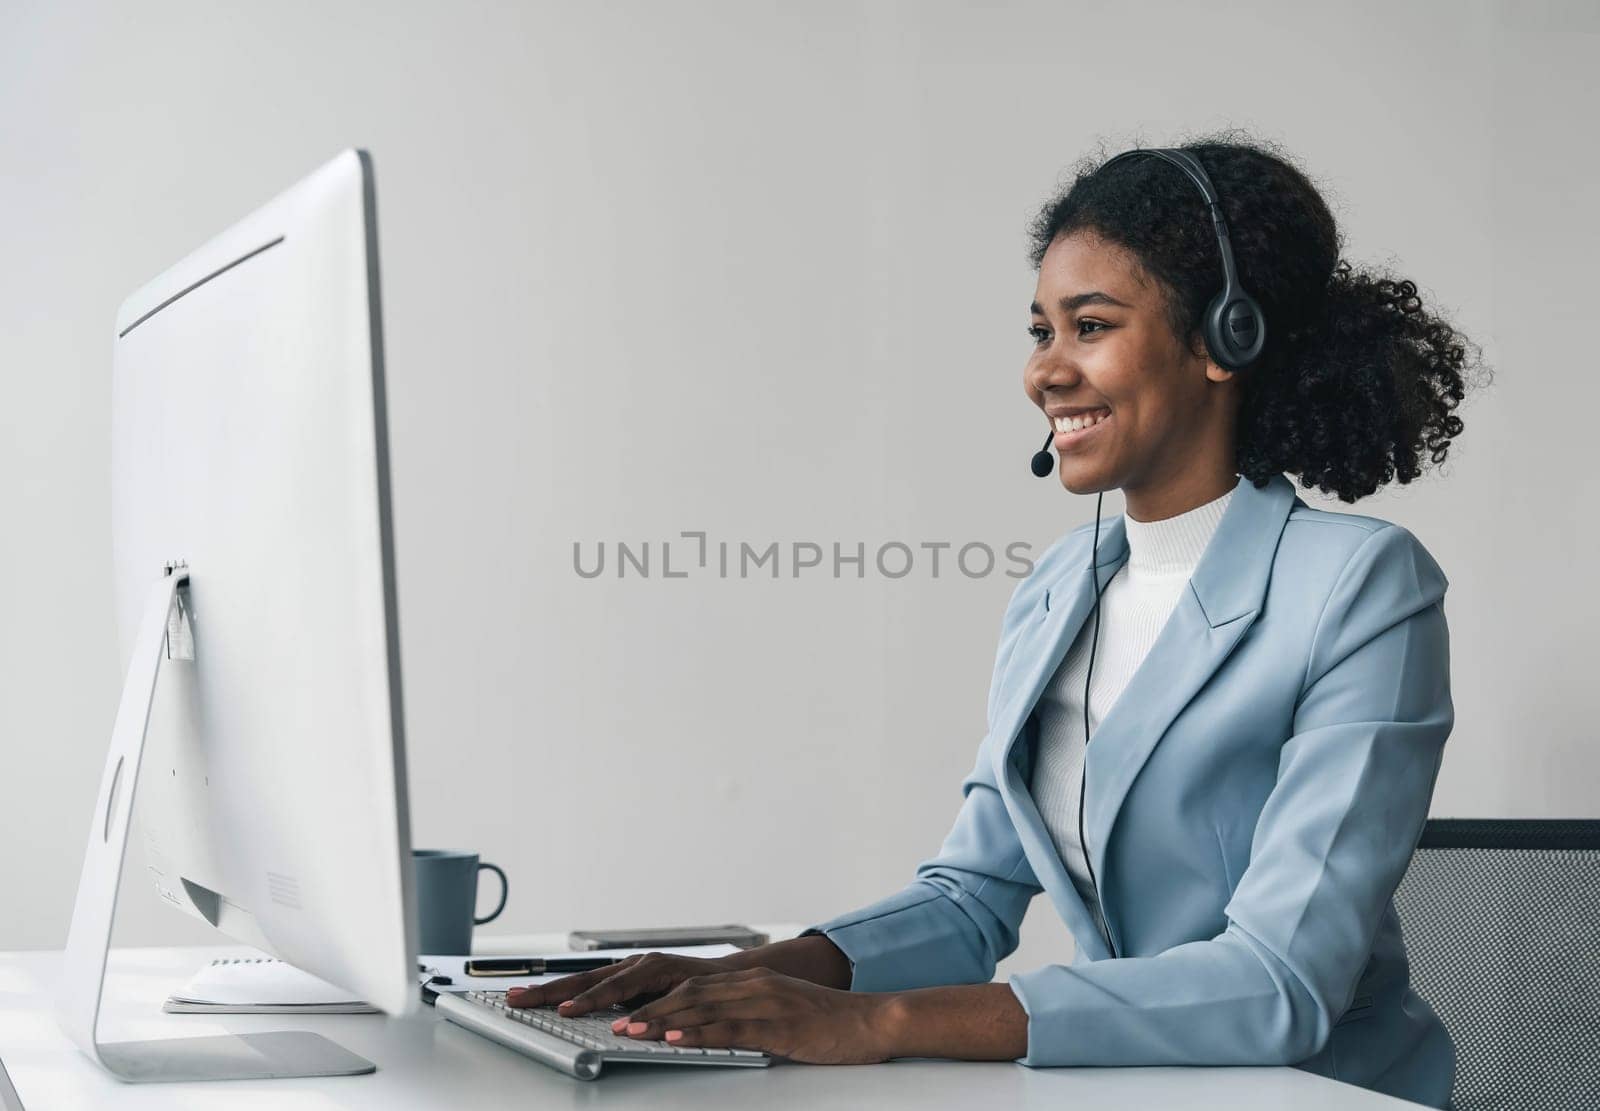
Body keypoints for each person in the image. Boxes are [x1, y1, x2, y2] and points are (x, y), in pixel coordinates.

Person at [507, 131, 1491, 1108]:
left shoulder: (1359, 585)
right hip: (1139, 1087)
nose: (1044, 373)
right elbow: (970, 898)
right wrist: (746, 971)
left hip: (1316, 1093)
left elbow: (1281, 982)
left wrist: (880, 1023)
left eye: (1089, 327)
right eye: (1039, 332)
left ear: (1221, 340)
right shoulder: (1062, 588)